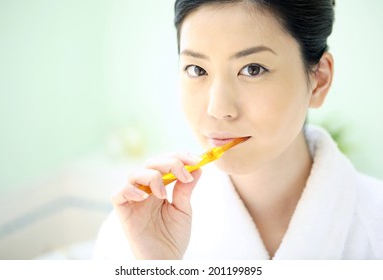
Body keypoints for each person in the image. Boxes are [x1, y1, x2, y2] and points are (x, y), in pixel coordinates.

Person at [93, 0, 383, 259]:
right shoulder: (133, 232)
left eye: (253, 69)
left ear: (319, 80)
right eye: (196, 70)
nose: (217, 108)